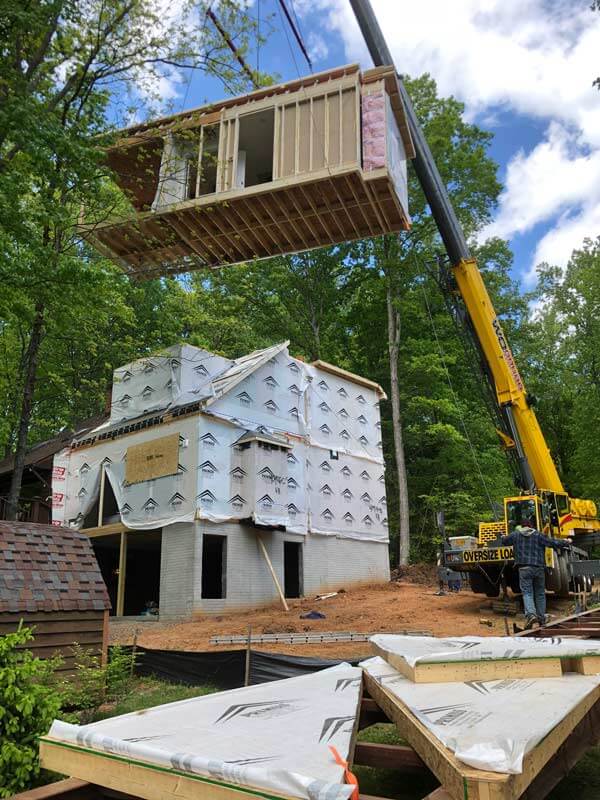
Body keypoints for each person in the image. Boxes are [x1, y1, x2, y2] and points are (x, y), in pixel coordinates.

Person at [501, 522, 571, 628]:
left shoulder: (515, 535)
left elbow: (505, 541)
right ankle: (542, 618)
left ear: (522, 526)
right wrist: (566, 542)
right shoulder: (538, 535)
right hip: (539, 568)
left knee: (527, 593)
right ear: (531, 526)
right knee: (540, 594)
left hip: (524, 569)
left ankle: (531, 615)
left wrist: (502, 536)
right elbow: (553, 543)